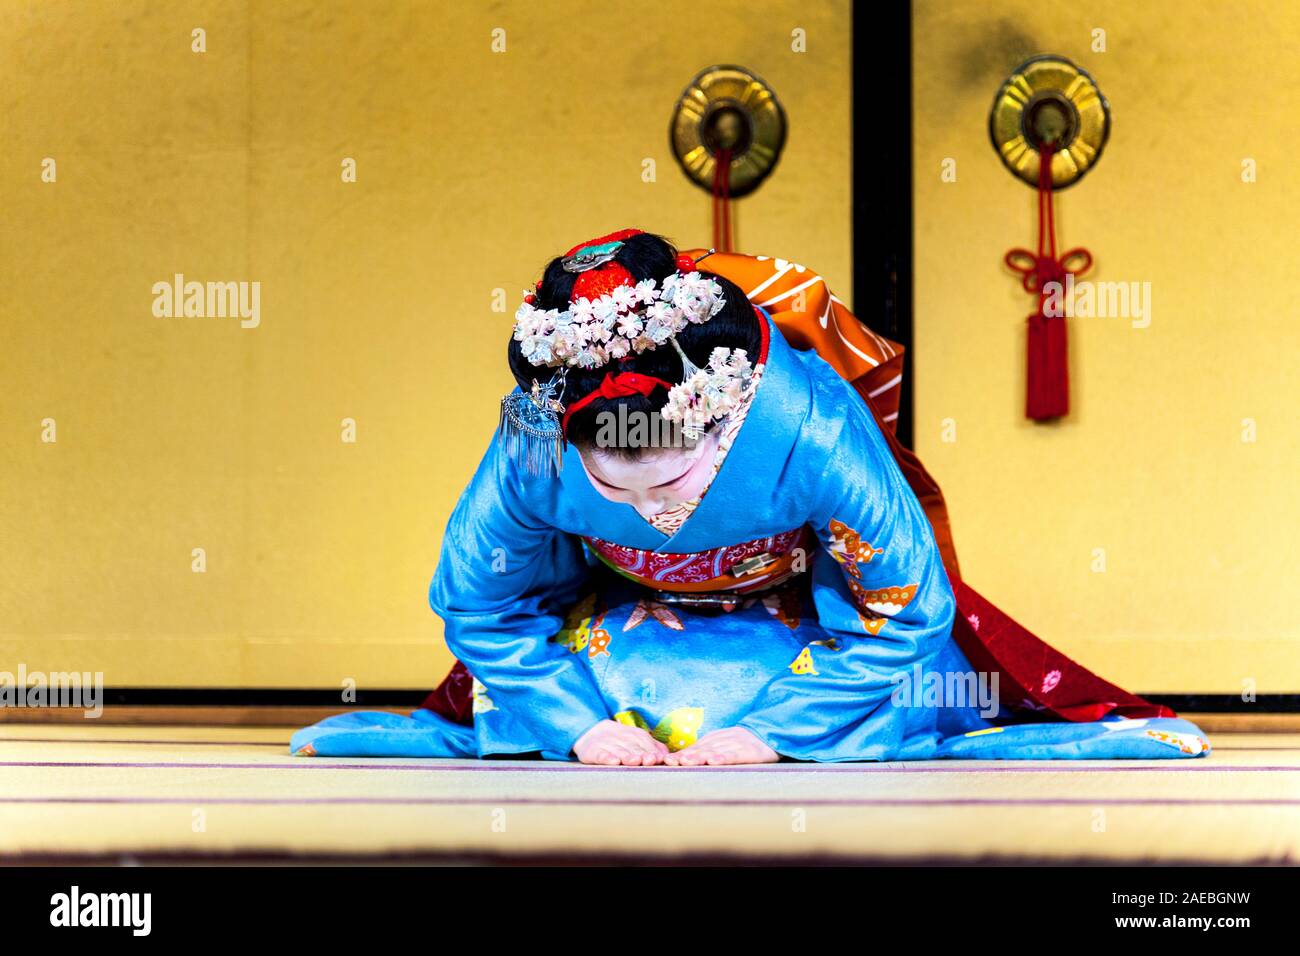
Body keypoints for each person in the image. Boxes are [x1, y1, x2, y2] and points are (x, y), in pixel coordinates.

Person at [291, 229, 1210, 765]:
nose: (655, 514)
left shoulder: (808, 426)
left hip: (806, 615)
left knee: (877, 698)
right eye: (613, 481)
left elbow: (904, 608)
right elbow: (477, 600)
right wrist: (577, 731)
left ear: (726, 416)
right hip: (618, 616)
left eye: (680, 478)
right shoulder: (536, 437)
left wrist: (774, 734)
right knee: (615, 692)